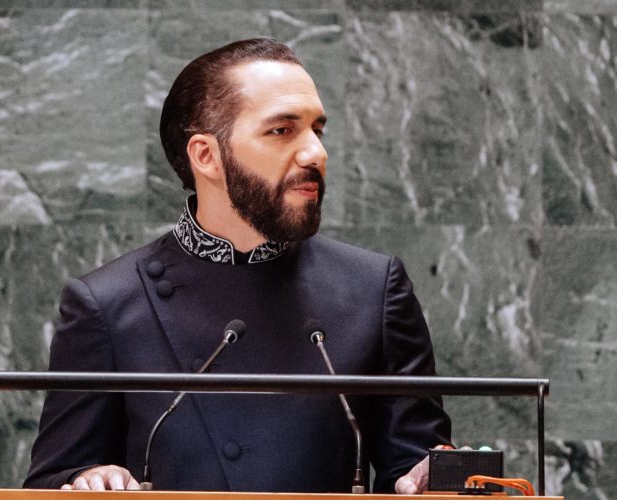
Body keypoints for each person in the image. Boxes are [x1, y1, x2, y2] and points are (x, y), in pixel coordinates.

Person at [24, 38, 451, 494]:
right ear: (206, 156)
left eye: (317, 130)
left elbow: (414, 465)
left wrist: (430, 476)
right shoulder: (107, 304)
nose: (315, 154)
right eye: (282, 131)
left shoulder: (375, 289)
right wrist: (85, 479)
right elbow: (54, 478)